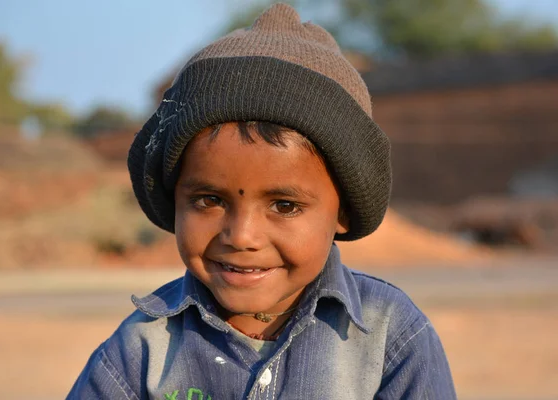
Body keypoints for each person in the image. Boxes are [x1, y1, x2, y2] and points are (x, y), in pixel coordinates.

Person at [67, 3, 456, 399]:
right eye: (208, 200)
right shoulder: (141, 348)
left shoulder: (389, 335)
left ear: (343, 209)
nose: (242, 236)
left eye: (284, 205)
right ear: (175, 198)